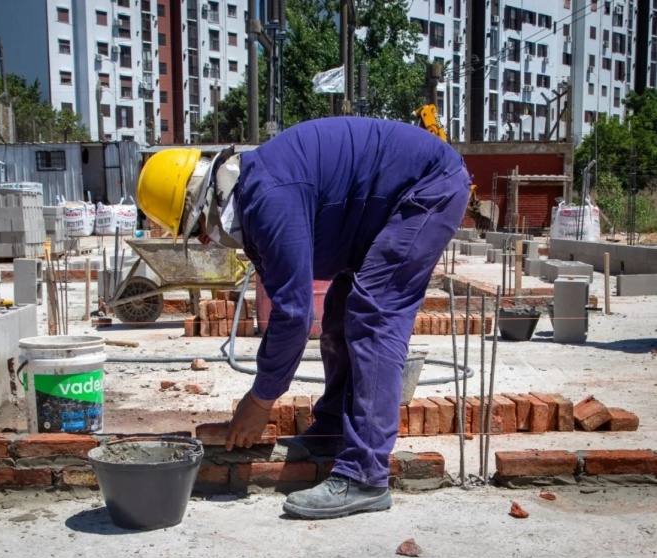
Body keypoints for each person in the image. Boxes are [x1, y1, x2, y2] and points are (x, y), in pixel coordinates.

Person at [136, 117, 471, 519]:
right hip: (375, 205)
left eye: (197, 231)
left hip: (427, 187)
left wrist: (260, 400)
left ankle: (365, 475)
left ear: (200, 206)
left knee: (374, 314)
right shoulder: (259, 189)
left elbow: (294, 314)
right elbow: (288, 295)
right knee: (340, 314)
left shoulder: (266, 197)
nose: (206, 240)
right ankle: (332, 433)